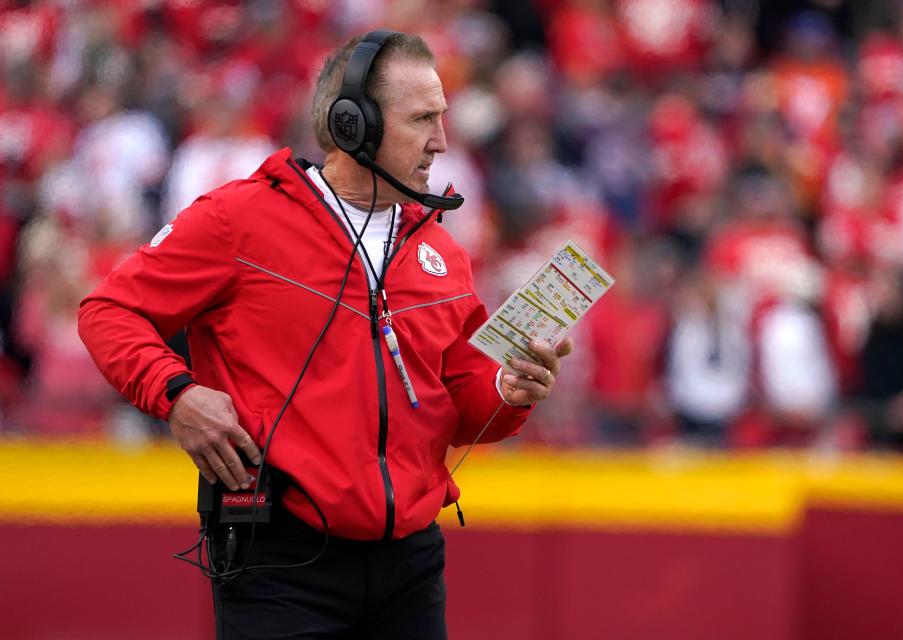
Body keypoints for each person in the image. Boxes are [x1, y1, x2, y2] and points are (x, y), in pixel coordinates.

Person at [78, 31, 572, 639]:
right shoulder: (238, 220)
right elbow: (108, 311)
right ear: (352, 123)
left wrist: (509, 387)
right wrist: (176, 394)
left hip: (411, 565)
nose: (442, 141)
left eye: (441, 117)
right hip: (281, 564)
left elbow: (462, 405)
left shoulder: (441, 250)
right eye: (422, 118)